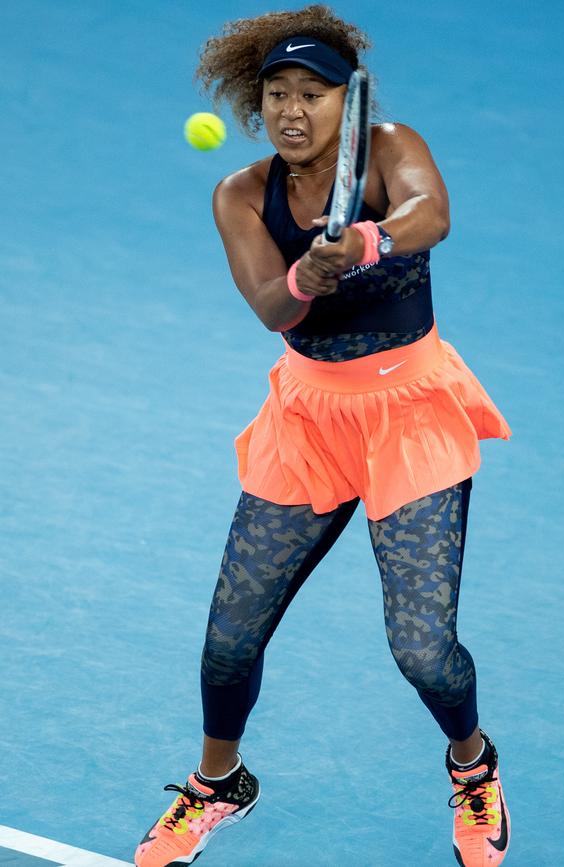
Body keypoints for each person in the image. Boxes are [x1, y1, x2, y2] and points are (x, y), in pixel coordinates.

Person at [135, 5, 512, 866]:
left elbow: (431, 211)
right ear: (255, 102)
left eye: (314, 91)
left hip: (410, 412)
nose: (293, 109)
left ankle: (471, 762)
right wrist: (305, 272)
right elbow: (270, 305)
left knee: (422, 652)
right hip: (307, 418)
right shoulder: (239, 193)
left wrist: (370, 239)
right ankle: (218, 784)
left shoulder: (390, 146)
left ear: (349, 101)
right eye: (276, 93)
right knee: (229, 635)